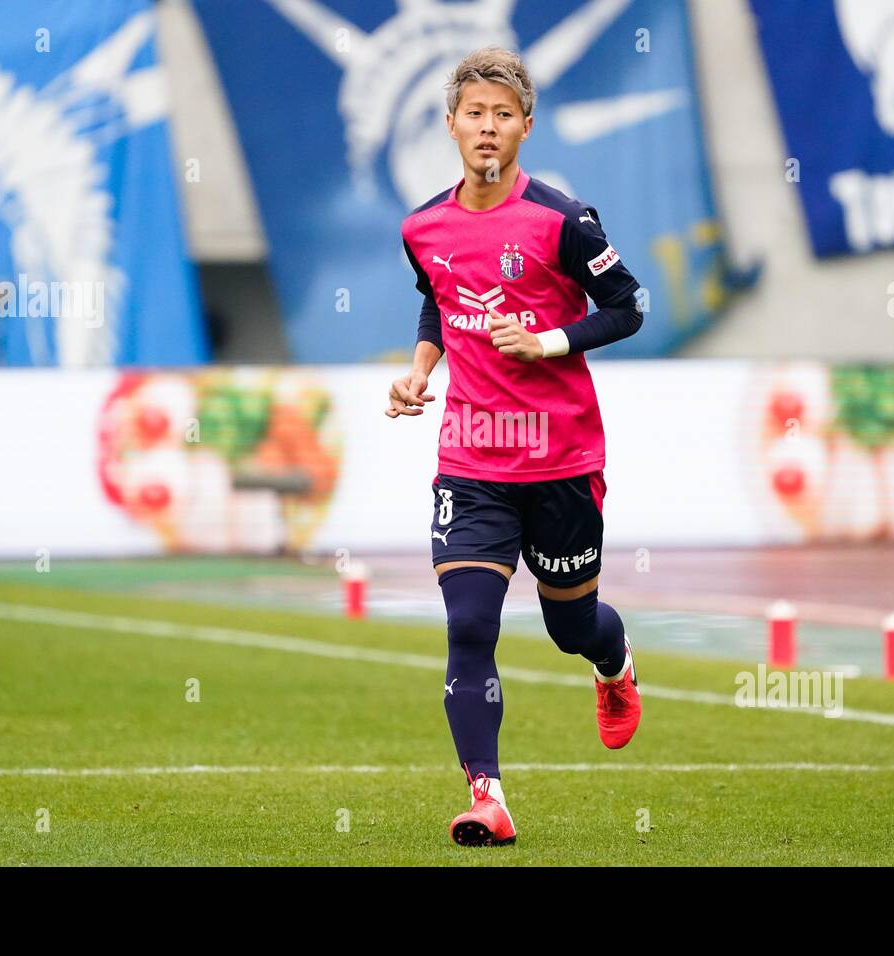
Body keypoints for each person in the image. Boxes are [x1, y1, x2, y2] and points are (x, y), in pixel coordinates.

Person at [386, 47, 644, 847]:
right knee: (469, 623)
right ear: (452, 125)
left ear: (526, 126)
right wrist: (419, 370)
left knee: (572, 627)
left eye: (503, 115)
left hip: (561, 461)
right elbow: (441, 302)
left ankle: (614, 664)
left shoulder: (563, 220)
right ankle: (486, 797)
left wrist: (551, 341)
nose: (488, 128)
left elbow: (629, 305)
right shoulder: (421, 227)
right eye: (474, 114)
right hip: (472, 459)